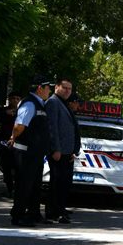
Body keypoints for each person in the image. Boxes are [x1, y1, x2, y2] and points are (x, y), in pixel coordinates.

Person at [8, 76, 53, 227]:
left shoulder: (40, 104)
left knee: (35, 186)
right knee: (24, 185)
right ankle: (18, 215)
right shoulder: (29, 104)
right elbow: (19, 126)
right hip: (26, 153)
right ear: (40, 88)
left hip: (35, 153)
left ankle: (33, 214)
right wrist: (13, 137)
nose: (50, 91)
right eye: (48, 88)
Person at [45, 78, 80, 224]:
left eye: (70, 89)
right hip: (58, 152)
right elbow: (52, 127)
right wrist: (56, 149)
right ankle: (53, 213)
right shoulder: (53, 102)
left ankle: (60, 210)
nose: (67, 91)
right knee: (56, 184)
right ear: (56, 87)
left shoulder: (63, 104)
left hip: (67, 152)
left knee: (64, 184)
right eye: (64, 88)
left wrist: (72, 150)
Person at [0, 91, 22, 196]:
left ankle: (18, 188)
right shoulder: (3, 110)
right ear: (9, 99)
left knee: (18, 167)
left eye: (18, 98)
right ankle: (10, 188)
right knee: (7, 166)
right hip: (5, 143)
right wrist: (5, 113)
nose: (15, 101)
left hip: (19, 143)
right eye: (13, 98)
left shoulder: (23, 110)